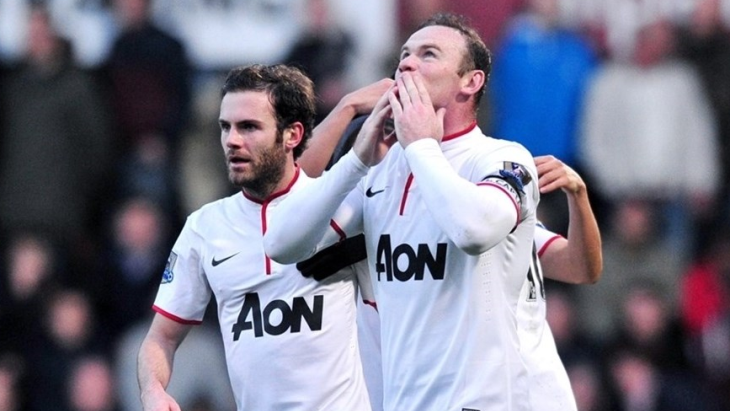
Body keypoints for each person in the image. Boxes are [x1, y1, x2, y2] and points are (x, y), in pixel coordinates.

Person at [265, 13, 544, 410]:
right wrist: (356, 161)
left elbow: (473, 231)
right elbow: (280, 243)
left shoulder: (500, 158)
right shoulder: (381, 170)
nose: (408, 64)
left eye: (428, 54)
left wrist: (419, 145)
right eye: (404, 55)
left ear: (471, 81)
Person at [300, 78, 603, 410]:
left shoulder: (474, 206)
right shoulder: (361, 225)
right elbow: (291, 207)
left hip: (527, 391)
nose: (391, 151)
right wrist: (347, 107)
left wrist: (579, 195)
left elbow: (579, 268)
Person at [136, 64, 371, 410]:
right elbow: (160, 338)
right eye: (225, 127)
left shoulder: (345, 207)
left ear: (292, 135)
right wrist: (153, 390)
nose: (232, 140)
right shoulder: (204, 227)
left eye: (248, 127)